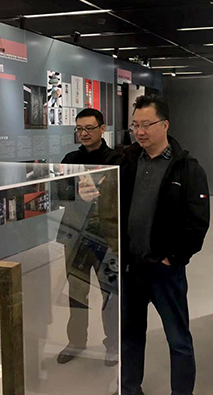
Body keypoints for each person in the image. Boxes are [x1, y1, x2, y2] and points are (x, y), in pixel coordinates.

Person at [120, 94, 210, 395]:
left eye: (147, 124)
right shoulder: (128, 162)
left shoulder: (187, 168)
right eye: (135, 125)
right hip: (132, 268)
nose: (140, 131)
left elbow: (197, 221)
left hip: (164, 270)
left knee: (178, 339)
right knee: (130, 336)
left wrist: (174, 257)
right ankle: (130, 389)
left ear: (165, 125)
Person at [56, 108, 123, 365]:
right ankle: (76, 341)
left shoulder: (117, 160)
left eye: (89, 128)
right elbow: (59, 194)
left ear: (102, 129)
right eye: (79, 129)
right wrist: (76, 193)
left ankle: (113, 344)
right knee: (76, 292)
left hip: (107, 239)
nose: (84, 133)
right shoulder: (70, 159)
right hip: (76, 237)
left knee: (111, 295)